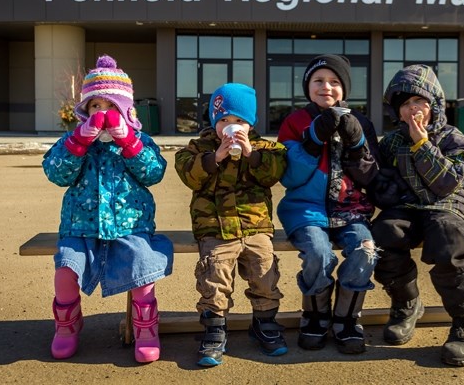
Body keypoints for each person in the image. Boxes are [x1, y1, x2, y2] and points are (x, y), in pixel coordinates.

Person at [42, 55, 173, 364]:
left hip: (130, 228)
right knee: (65, 270)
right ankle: (66, 327)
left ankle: (145, 328)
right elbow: (55, 173)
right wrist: (78, 142)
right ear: (85, 111)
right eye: (95, 107)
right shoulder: (74, 140)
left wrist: (129, 142)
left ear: (126, 111)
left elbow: (154, 173)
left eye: (111, 107)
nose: (102, 114)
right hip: (79, 228)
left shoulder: (139, 140)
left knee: (143, 269)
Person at [370, 64, 464, 366]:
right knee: (383, 232)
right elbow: (381, 185)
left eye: (419, 101)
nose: (412, 109)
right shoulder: (393, 141)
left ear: (434, 103)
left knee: (448, 239)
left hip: (446, 206)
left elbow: (447, 182)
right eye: (405, 104)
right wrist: (395, 193)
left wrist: (422, 144)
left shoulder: (452, 138)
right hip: (408, 207)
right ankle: (406, 302)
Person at [174, 83, 288, 367]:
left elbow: (274, 173)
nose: (231, 126)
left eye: (239, 121)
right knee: (215, 275)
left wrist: (252, 154)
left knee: (265, 271)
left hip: (255, 226)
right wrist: (215, 158)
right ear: (214, 122)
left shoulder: (266, 147)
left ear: (251, 123)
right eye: (224, 120)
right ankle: (214, 329)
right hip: (214, 227)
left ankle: (264, 322)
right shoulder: (199, 147)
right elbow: (187, 172)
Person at [277, 54, 379, 355]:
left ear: (345, 89)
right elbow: (289, 177)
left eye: (334, 82)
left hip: (352, 211)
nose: (326, 87)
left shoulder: (361, 122)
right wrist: (311, 140)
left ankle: (346, 317)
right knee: (319, 255)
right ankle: (315, 315)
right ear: (308, 86)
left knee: (366, 250)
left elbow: (371, 175)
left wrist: (358, 144)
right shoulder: (295, 122)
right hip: (306, 209)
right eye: (318, 81)